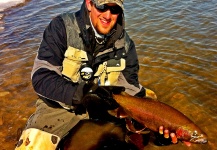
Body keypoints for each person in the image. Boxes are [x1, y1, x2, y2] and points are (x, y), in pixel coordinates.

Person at [15, 0, 177, 149]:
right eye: (102, 6)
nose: (107, 15)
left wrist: (159, 131)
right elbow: (41, 77)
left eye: (114, 9)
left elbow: (132, 90)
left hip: (105, 108)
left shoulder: (126, 45)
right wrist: (80, 94)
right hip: (58, 108)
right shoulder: (61, 27)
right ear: (89, 4)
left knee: (148, 103)